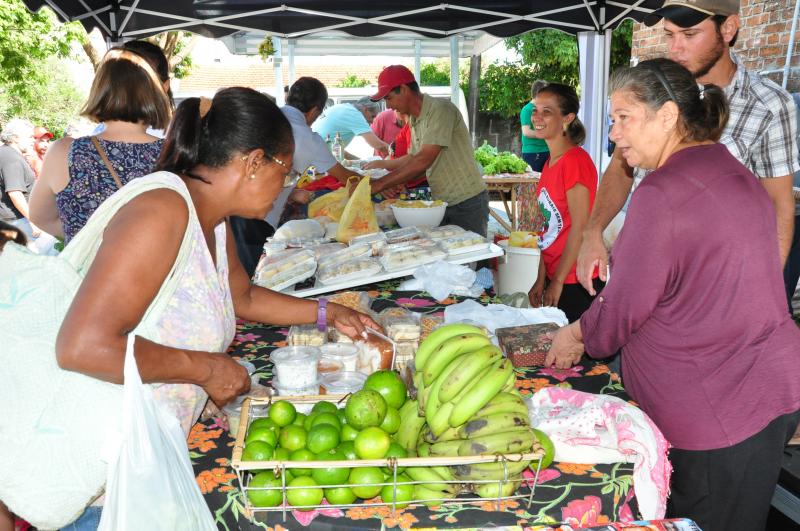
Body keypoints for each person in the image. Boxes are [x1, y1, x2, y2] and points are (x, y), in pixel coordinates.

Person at [13, 87, 378, 530]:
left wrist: (327, 313)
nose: (288, 184)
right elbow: (82, 346)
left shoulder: (211, 216)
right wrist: (205, 369)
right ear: (253, 161)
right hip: (106, 485)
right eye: (287, 170)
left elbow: (241, 297)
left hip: (151, 459)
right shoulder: (160, 212)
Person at [547, 58, 800, 531]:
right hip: (761, 392)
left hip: (718, 412)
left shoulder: (661, 192)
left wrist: (578, 332)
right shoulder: (726, 167)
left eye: (624, 118)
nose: (614, 133)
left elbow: (622, 308)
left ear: (666, 116)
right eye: (611, 120)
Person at [576, 0, 799, 312]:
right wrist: (593, 231)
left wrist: (762, 291)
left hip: (710, 291)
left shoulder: (770, 105)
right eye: (669, 35)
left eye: (690, 35)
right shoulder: (658, 88)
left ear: (729, 28)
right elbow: (620, 167)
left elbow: (779, 205)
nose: (676, 49)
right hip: (641, 272)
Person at [29, 48, 170, 244]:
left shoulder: (64, 152)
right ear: (153, 93)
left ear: (99, 90)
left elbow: (40, 217)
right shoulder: (174, 154)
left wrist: (86, 236)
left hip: (83, 273)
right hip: (151, 271)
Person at [365, 65, 489, 236]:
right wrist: (397, 182)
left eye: (389, 98)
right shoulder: (415, 121)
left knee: (472, 257)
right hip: (443, 201)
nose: (389, 106)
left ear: (404, 89)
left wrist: (379, 184)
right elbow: (414, 160)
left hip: (467, 201)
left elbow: (424, 159)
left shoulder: (440, 110)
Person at [526, 84, 599, 322]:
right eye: (535, 110)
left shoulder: (575, 161)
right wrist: (541, 278)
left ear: (567, 118)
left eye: (546, 111)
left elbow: (580, 228)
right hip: (557, 274)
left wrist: (557, 281)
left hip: (576, 279)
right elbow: (549, 231)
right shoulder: (550, 163)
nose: (536, 117)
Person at [0, 119, 42, 244]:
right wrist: (33, 221)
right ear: (16, 138)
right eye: (30, 137)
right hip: (17, 220)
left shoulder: (6, 153)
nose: (33, 140)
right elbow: (15, 193)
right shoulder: (11, 158)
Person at [312, 97, 390, 157]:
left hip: (312, 151)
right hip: (316, 155)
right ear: (365, 109)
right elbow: (378, 145)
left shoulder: (343, 108)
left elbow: (338, 151)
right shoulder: (355, 114)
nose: (373, 121)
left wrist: (362, 162)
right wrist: (395, 154)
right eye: (373, 116)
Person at [519, 79, 550, 172]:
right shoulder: (527, 109)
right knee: (534, 184)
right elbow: (526, 132)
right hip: (533, 153)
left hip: (547, 151)